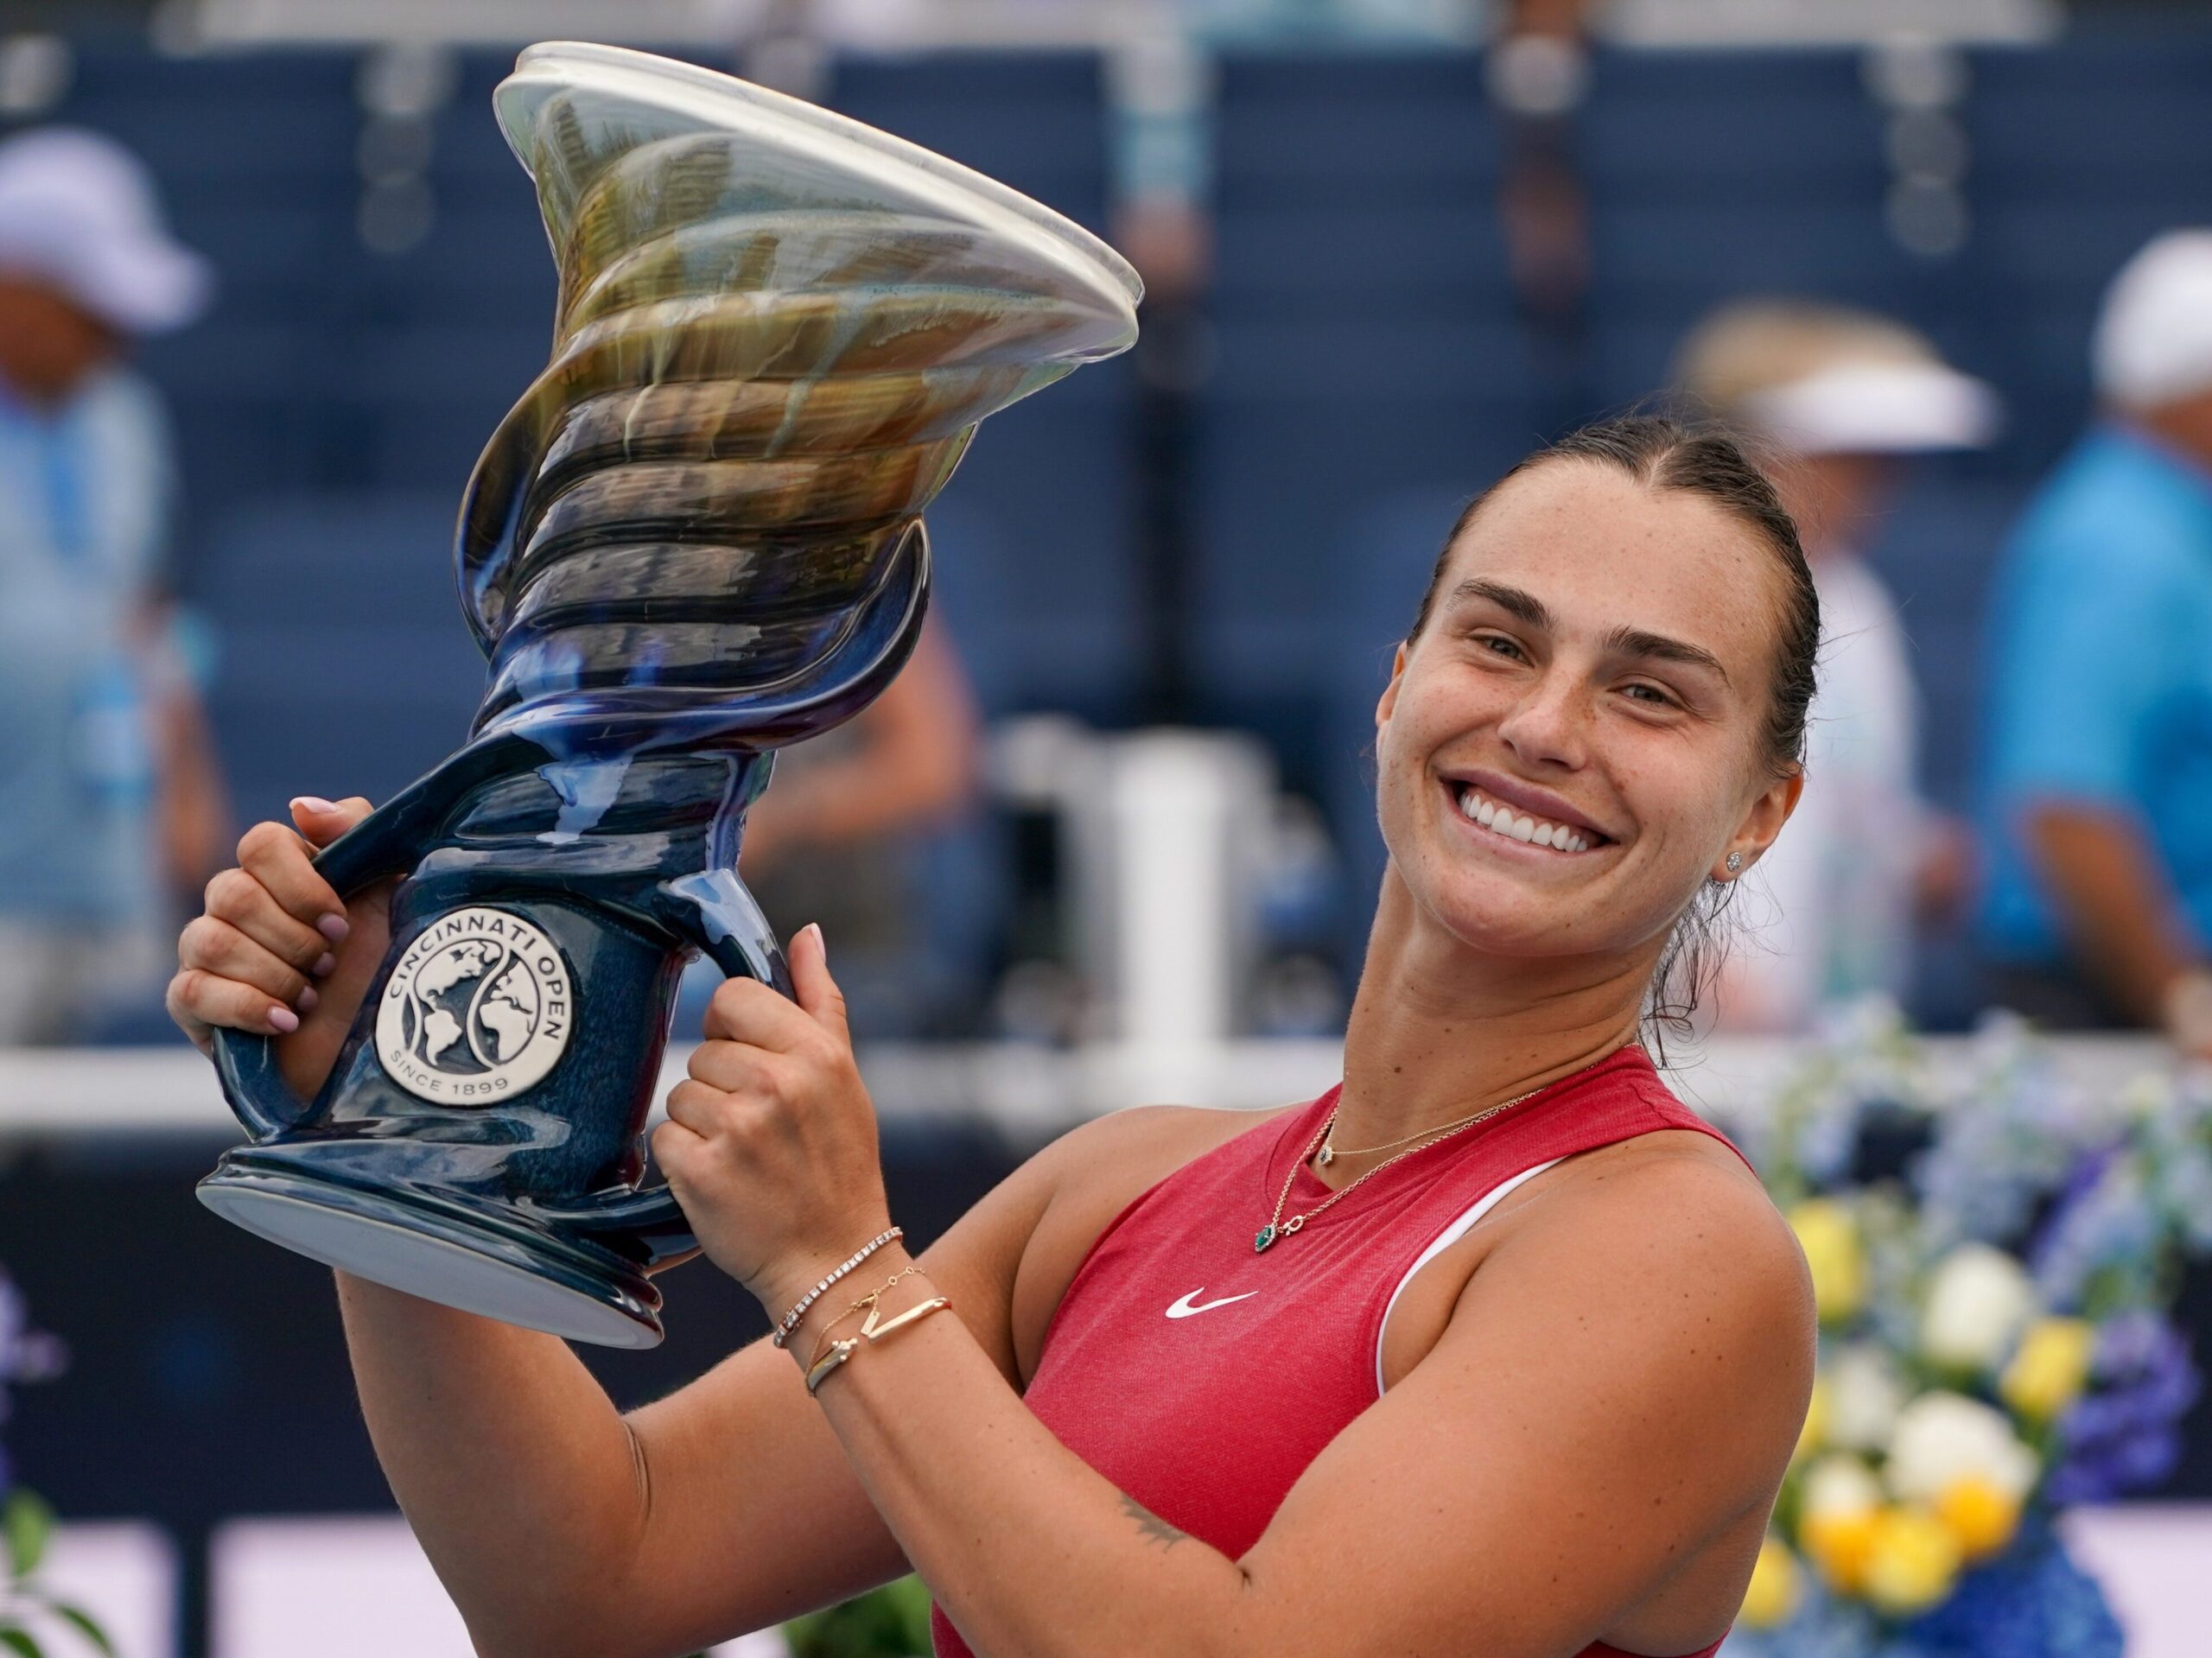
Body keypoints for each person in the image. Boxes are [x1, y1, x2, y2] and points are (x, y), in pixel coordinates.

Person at [168, 416, 1816, 1658]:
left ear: (1760, 812)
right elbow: (592, 1571)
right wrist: (395, 1109)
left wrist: (838, 1265)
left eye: (1651, 691)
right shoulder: (1126, 1180)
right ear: (1395, 684)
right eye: (1501, 639)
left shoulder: (1671, 1246)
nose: (1543, 725)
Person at [1675, 301, 1995, 1031]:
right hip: (1700, 1021)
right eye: (1844, 461)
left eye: (1879, 467)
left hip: (1833, 1025)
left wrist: (1916, 853)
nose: (1873, 488)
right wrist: (1683, 959)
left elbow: (1845, 792)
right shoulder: (1683, 588)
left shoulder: (1855, 599)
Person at [0, 127, 228, 1044]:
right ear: (16, 286)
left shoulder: (124, 417)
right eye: (88, 304)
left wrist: (185, 779)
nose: (116, 331)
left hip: (109, 866)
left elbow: (143, 611)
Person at [1979, 232, 2212, 1058]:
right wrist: (2180, 1001)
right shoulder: (2120, 545)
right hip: (2117, 1006)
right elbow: (2067, 810)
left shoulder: (2160, 524)